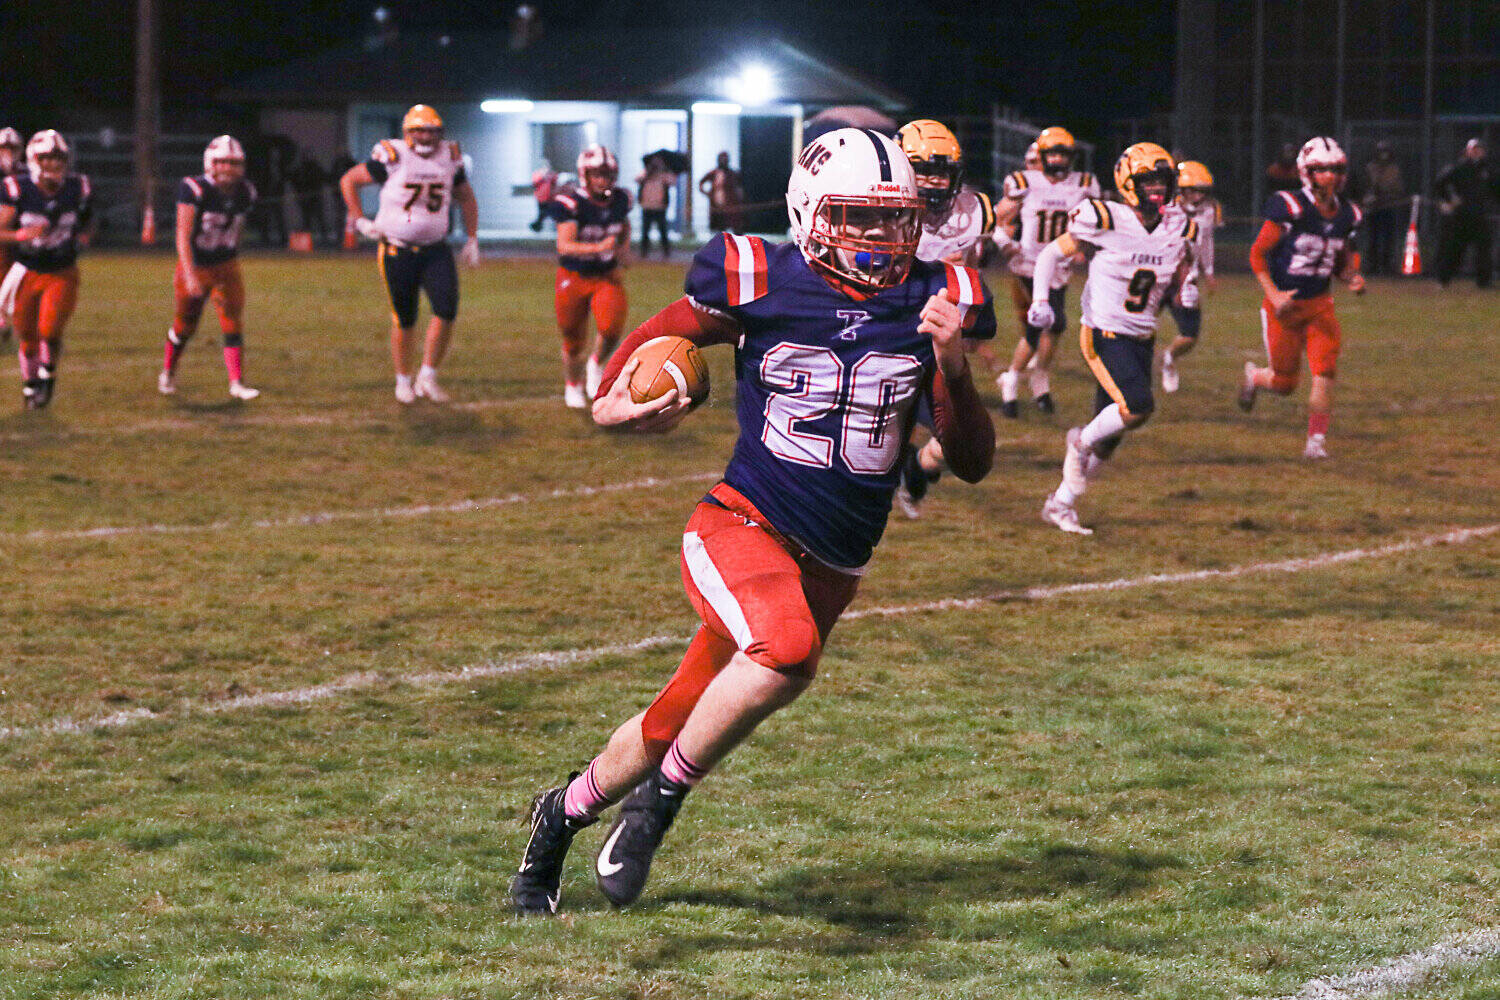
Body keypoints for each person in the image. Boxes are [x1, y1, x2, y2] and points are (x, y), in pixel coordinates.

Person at [510, 128, 996, 916]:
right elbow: (665, 330)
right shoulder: (758, 276)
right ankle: (653, 813)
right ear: (809, 213)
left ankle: (559, 814)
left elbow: (970, 461)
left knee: (675, 718)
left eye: (894, 219)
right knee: (787, 653)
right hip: (743, 523)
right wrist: (614, 398)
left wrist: (957, 372)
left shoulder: (934, 299)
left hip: (836, 559)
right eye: (857, 217)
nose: (880, 237)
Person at [1035, 142, 1197, 535]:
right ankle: (1077, 445)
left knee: (1112, 436)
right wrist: (1041, 300)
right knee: (1138, 405)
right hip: (1104, 333)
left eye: (1164, 182)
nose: (1158, 190)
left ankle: (1060, 504)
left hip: (1142, 337)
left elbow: (1175, 266)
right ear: (1128, 184)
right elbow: (1050, 255)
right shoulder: (1103, 216)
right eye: (1149, 182)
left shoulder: (1177, 224)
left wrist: (1185, 286)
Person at [889, 118, 998, 518]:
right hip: (887, 328)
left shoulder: (976, 210)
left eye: (943, 171)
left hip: (936, 338)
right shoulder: (882, 207)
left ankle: (917, 470)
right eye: (926, 170)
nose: (935, 181)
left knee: (959, 439)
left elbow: (970, 262)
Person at [339, 104, 480, 404]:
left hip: (436, 249)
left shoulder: (450, 156)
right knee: (405, 318)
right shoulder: (393, 155)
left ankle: (427, 376)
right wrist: (360, 219)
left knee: (446, 309)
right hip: (396, 249)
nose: (426, 136)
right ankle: (403, 380)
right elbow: (349, 180)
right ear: (407, 133)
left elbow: (466, 197)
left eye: (431, 130)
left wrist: (472, 237)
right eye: (419, 130)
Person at [1238, 136, 1366, 460]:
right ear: (1307, 172)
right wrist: (1274, 294)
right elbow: (1257, 255)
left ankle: (1315, 443)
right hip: (1285, 309)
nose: (1331, 176)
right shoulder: (1290, 206)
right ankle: (1254, 376)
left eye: (1336, 169)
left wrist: (1351, 278)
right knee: (1284, 383)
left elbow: (1340, 263)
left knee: (1325, 370)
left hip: (1320, 305)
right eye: (1323, 169)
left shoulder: (1348, 214)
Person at [991, 126, 1101, 418]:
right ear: (1042, 155)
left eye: (1062, 153)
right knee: (1047, 322)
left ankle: (1035, 376)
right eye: (1052, 153)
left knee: (1053, 325)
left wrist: (1083, 247)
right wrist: (1005, 244)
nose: (1057, 159)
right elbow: (995, 219)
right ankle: (1016, 378)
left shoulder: (1084, 184)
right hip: (1029, 262)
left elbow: (1091, 224)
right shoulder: (1024, 183)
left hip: (1059, 264)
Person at [157, 136, 261, 401]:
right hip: (197, 265)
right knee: (185, 326)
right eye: (223, 162)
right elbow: (182, 235)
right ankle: (168, 371)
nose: (229, 168)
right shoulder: (195, 188)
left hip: (225, 264)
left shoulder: (246, 191)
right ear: (210, 163)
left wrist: (232, 258)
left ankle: (236, 383)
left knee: (232, 322)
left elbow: (238, 229)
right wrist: (190, 275)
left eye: (234, 163)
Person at [0, 130, 94, 409]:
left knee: (50, 330)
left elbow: (89, 219)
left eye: (58, 158)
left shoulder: (79, 187)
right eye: (47, 158)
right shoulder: (17, 188)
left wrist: (85, 236)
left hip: (61, 270)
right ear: (33, 160)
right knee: (27, 336)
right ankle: (31, 388)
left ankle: (47, 378)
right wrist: (20, 236)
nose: (54, 164)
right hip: (27, 269)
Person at [548, 143, 631, 409]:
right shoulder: (572, 203)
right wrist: (599, 247)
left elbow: (625, 225)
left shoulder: (622, 199)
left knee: (611, 328)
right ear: (585, 174)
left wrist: (623, 249)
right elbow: (564, 245)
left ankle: (596, 363)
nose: (603, 180)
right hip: (573, 276)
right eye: (597, 174)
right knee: (573, 340)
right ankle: (573, 384)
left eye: (607, 174)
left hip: (606, 275)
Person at [1159, 159, 1221, 393]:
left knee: (1189, 335)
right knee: (1139, 328)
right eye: (1193, 190)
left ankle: (1169, 357)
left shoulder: (1208, 210)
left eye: (1201, 191)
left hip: (1188, 279)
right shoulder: (1165, 207)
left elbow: (1206, 243)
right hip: (1158, 274)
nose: (1198, 196)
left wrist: (1209, 271)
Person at [1433, 138, 1496, 288]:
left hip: (1480, 215)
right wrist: (1449, 200)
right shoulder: (1459, 167)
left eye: (1479, 149)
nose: (1476, 152)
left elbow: (1495, 190)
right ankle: (1444, 280)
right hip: (1461, 216)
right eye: (1473, 149)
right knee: (1454, 249)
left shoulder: (1488, 169)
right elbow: (1440, 183)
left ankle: (1484, 282)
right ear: (1467, 151)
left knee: (1484, 250)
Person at [1361, 141, 1405, 275]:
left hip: (1388, 206)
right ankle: (1371, 265)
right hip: (1373, 207)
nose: (1383, 155)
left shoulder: (1394, 169)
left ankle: (1387, 266)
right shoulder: (1370, 168)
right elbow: (1364, 185)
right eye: (1381, 152)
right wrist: (1367, 197)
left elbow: (1399, 188)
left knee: (1388, 238)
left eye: (1385, 151)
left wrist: (1389, 195)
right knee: (1372, 238)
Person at [636, 154, 676, 258]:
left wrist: (665, 172)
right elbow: (637, 179)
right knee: (645, 231)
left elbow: (673, 182)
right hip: (647, 206)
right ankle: (644, 251)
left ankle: (666, 251)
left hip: (660, 207)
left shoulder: (664, 176)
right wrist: (648, 173)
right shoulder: (645, 174)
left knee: (662, 230)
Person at [289, 151, 329, 246]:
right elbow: (294, 180)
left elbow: (322, 178)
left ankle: (324, 239)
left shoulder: (314, 167)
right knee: (307, 220)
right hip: (305, 198)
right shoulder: (300, 169)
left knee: (318, 219)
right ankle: (307, 241)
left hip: (314, 197)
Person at [698, 151, 743, 234]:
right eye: (722, 159)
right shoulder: (713, 173)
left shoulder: (732, 173)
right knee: (719, 227)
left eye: (725, 159)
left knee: (734, 224)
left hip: (730, 203)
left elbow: (738, 187)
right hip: (716, 203)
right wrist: (708, 194)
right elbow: (701, 183)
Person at [529, 159, 557, 233]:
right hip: (541, 197)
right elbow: (535, 182)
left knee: (547, 213)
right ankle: (536, 226)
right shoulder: (537, 174)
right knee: (543, 213)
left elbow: (555, 181)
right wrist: (543, 176)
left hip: (550, 197)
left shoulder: (551, 174)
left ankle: (537, 226)